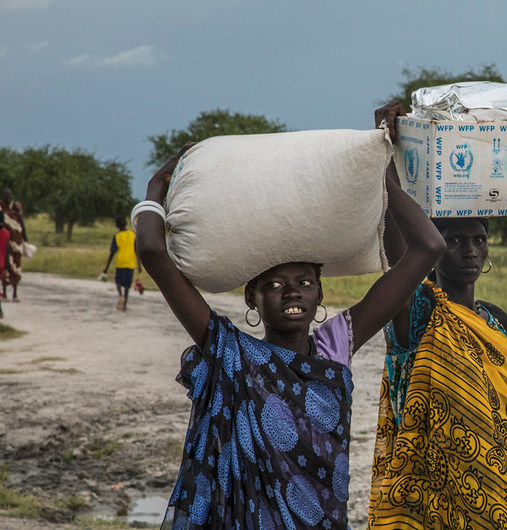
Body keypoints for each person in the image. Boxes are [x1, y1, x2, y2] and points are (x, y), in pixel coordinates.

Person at [137, 101, 445, 528]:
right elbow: (152, 251)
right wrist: (156, 187)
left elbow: (429, 249)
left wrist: (383, 164)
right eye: (275, 285)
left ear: (320, 294)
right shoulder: (229, 351)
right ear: (252, 298)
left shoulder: (336, 345)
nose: (292, 293)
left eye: (304, 282)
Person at [368, 118, 507, 526]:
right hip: (433, 490)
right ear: (434, 248)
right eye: (455, 241)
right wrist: (386, 160)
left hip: (501, 485)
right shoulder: (419, 310)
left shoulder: (496, 320)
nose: (470, 251)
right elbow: (399, 254)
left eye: (478, 239)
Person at [102, 217, 140, 311]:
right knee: (127, 286)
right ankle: (124, 305)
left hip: (121, 262)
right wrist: (139, 265)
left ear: (117, 225)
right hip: (131, 262)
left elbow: (112, 252)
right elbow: (137, 250)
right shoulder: (133, 234)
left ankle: (120, 296)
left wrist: (106, 267)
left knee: (118, 282)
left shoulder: (117, 236)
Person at [1, 186, 27, 302]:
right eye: (6, 194)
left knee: (16, 267)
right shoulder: (1, 208)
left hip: (17, 242)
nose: (8, 196)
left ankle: (15, 294)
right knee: (5, 266)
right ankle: (5, 293)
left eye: (10, 194)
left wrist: (26, 240)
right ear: (3, 195)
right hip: (5, 242)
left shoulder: (16, 207)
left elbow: (21, 223)